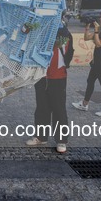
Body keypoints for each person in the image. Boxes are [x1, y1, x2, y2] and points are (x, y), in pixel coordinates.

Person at [26, 25, 74, 154]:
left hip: (57, 76)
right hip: (42, 75)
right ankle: (41, 137)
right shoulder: (42, 28)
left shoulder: (64, 31)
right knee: (42, 107)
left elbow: (60, 44)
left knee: (59, 109)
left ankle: (61, 140)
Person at [72, 10, 101, 117]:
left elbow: (99, 44)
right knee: (90, 81)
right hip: (96, 62)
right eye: (100, 16)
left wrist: (96, 31)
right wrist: (87, 28)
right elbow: (86, 38)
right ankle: (84, 104)